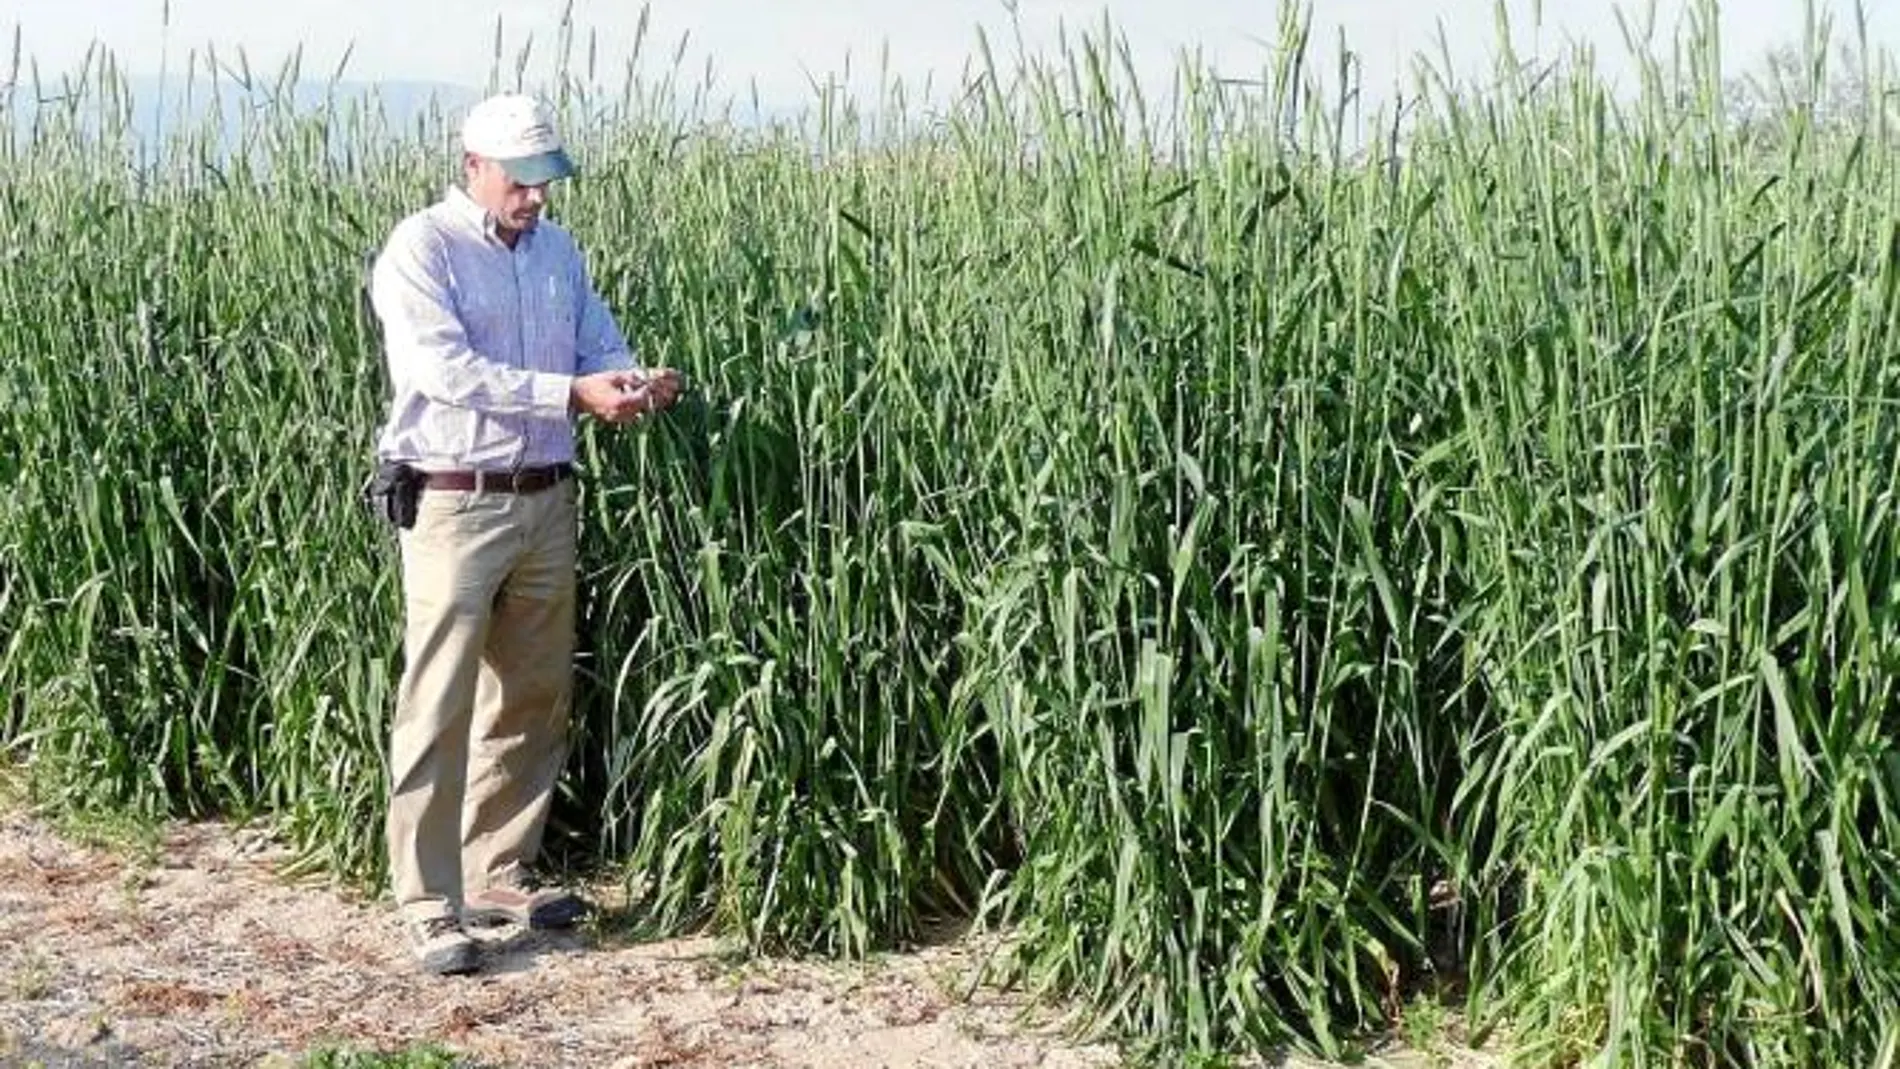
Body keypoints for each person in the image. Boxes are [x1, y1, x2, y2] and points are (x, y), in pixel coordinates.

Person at [366, 92, 684, 976]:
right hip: (454, 499)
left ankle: (496, 869)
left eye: (546, 178)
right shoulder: (421, 248)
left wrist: (630, 381)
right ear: (474, 165)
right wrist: (569, 396)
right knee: (438, 702)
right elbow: (445, 372)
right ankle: (429, 902)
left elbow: (593, 343)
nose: (537, 196)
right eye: (522, 178)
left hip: (547, 496)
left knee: (533, 693)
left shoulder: (557, 252)